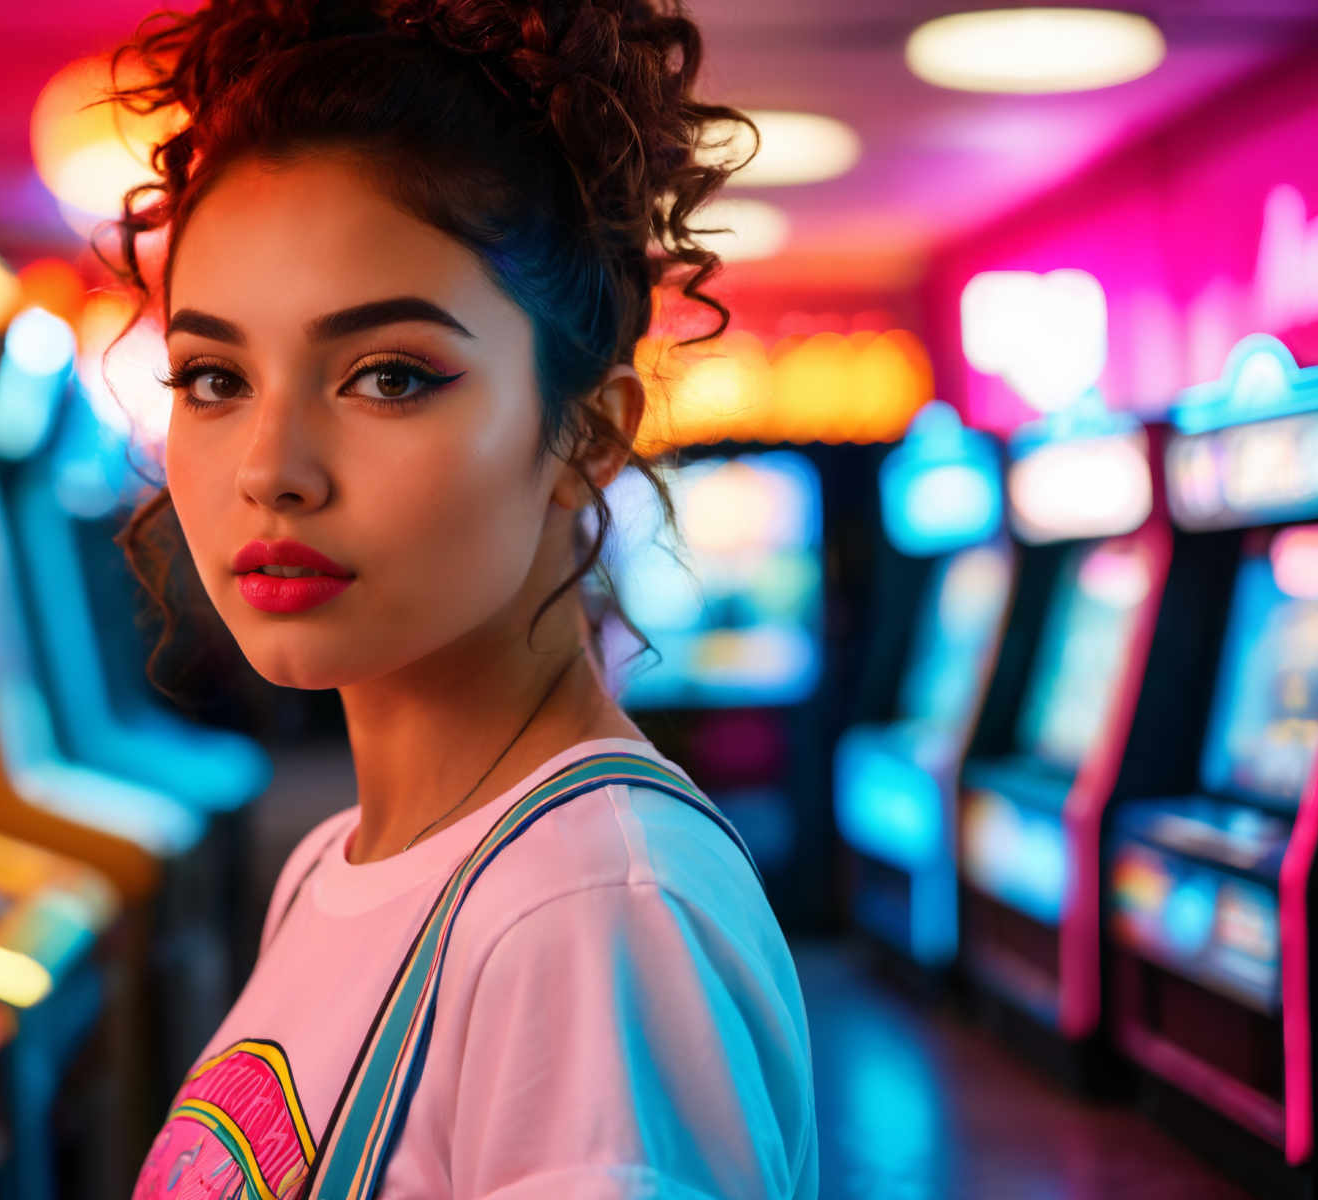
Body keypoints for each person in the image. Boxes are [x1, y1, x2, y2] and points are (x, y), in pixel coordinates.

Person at [102, 1, 817, 1195]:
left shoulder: (588, 908)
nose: (270, 466)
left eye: (387, 376)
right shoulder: (339, 862)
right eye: (214, 376)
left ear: (585, 431)